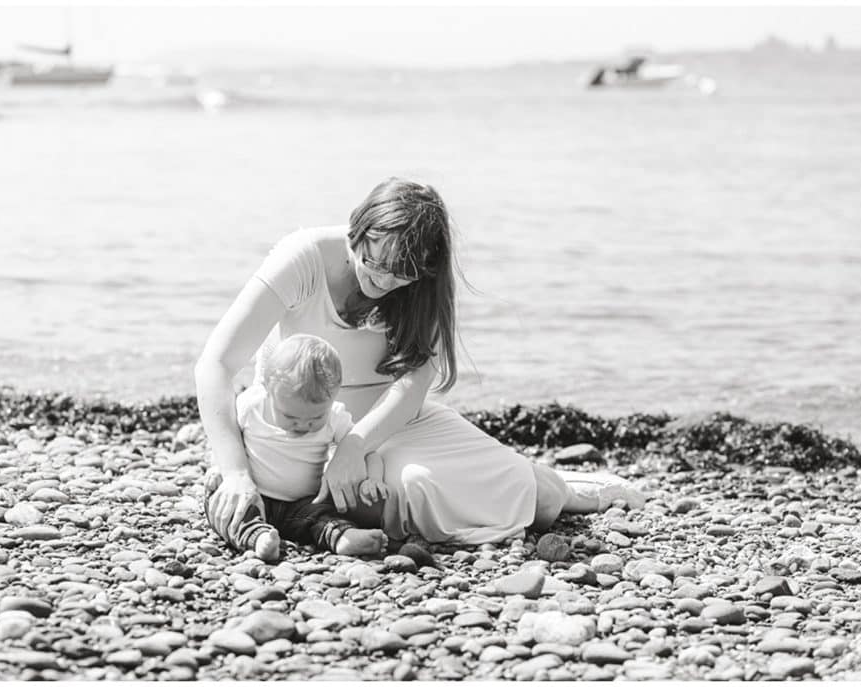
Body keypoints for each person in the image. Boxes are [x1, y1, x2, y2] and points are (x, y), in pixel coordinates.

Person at [196, 177, 644, 549]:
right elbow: (216, 363)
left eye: (401, 272)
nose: (383, 280)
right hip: (305, 427)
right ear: (359, 226)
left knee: (542, 502)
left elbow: (411, 388)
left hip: (395, 422)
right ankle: (537, 486)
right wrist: (236, 472)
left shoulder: (421, 289)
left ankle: (559, 486)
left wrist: (354, 446)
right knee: (414, 489)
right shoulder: (304, 257)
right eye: (372, 259)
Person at [203, 333, 389, 561]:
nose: (302, 425)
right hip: (253, 495)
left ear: (334, 396)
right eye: (290, 416)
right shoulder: (252, 405)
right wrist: (218, 470)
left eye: (315, 418)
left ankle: (342, 537)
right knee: (227, 508)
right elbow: (226, 436)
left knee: (321, 518)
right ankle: (258, 537)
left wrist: (374, 479)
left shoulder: (335, 416)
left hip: (302, 505)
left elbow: (367, 450)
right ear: (268, 390)